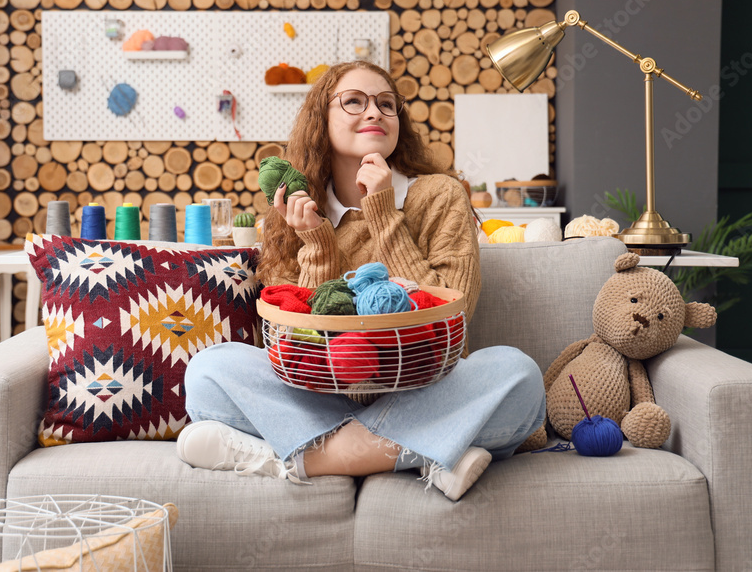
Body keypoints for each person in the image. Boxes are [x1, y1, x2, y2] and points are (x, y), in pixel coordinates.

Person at [177, 60, 544, 500]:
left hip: (426, 392)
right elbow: (298, 346)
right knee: (207, 372)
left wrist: (385, 215)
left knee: (519, 376)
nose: (375, 112)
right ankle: (424, 453)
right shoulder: (290, 214)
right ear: (322, 119)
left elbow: (454, 317)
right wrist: (316, 244)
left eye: (387, 104)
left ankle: (294, 458)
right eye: (354, 101)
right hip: (319, 396)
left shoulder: (439, 194)